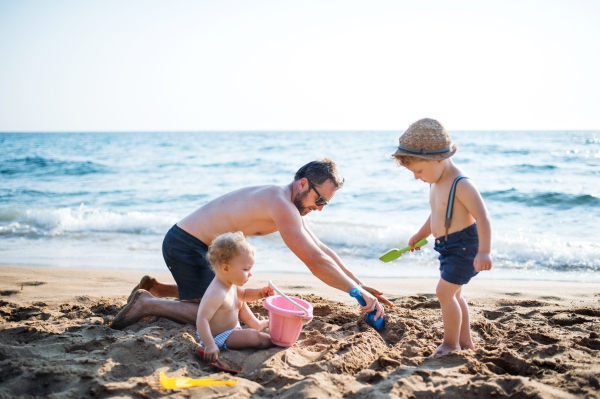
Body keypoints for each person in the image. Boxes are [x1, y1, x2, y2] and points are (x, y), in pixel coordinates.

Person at [111, 158, 391, 330]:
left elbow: (321, 250)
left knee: (226, 297)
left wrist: (359, 285)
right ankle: (148, 303)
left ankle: (156, 288)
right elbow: (313, 261)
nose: (320, 208)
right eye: (320, 200)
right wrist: (354, 292)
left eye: (325, 204)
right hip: (185, 246)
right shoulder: (280, 203)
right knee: (223, 314)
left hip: (201, 249)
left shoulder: (286, 202)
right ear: (303, 184)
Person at [391, 118, 492, 358]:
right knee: (455, 295)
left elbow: (483, 217)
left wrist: (484, 251)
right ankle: (465, 341)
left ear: (438, 158)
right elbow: (436, 214)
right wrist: (420, 234)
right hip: (447, 247)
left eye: (419, 170)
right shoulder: (435, 182)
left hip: (465, 247)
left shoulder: (461, 184)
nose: (417, 177)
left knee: (444, 293)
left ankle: (450, 344)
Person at [197, 232, 274, 361]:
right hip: (220, 336)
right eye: (246, 269)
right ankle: (275, 342)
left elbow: (244, 295)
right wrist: (210, 345)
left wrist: (261, 293)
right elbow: (202, 319)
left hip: (232, 328)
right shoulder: (217, 293)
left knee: (240, 301)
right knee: (254, 337)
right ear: (226, 268)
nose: (250, 274)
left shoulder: (229, 282)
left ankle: (257, 324)